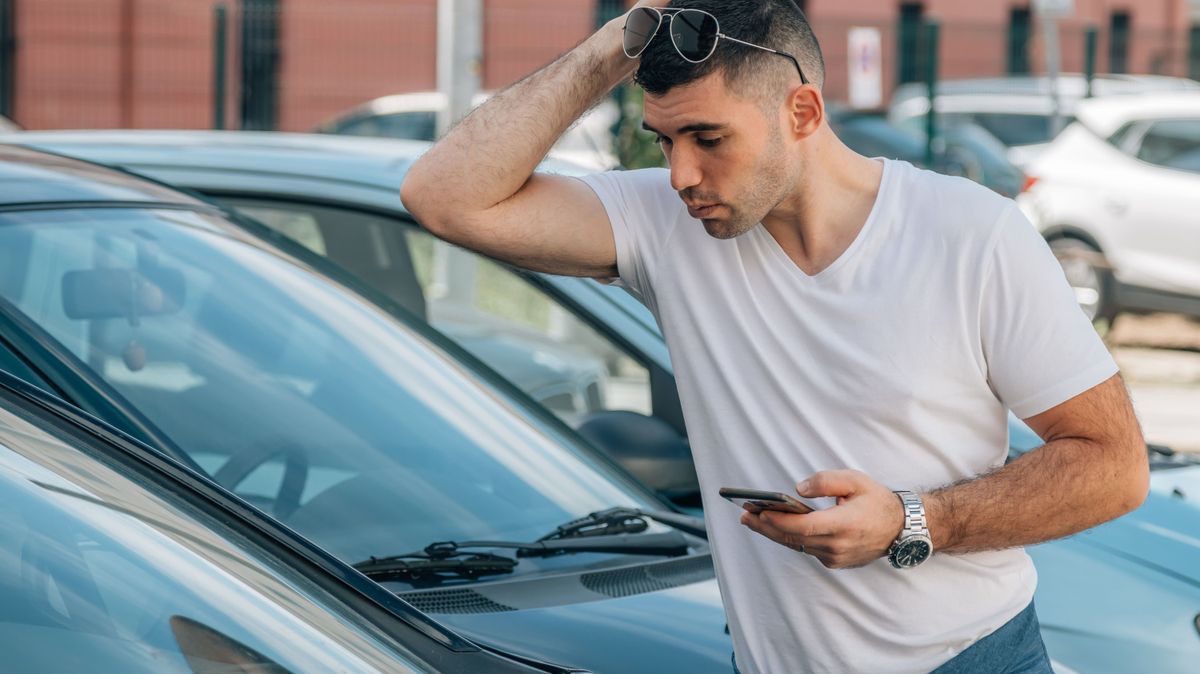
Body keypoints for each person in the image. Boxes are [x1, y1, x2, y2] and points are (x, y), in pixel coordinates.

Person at [399, 1, 1148, 671]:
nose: (680, 174)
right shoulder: (665, 227)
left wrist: (915, 520)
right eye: (662, 141)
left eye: (707, 136)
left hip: (972, 659)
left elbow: (1113, 466)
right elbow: (443, 198)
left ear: (803, 112)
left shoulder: (971, 234)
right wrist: (612, 46)